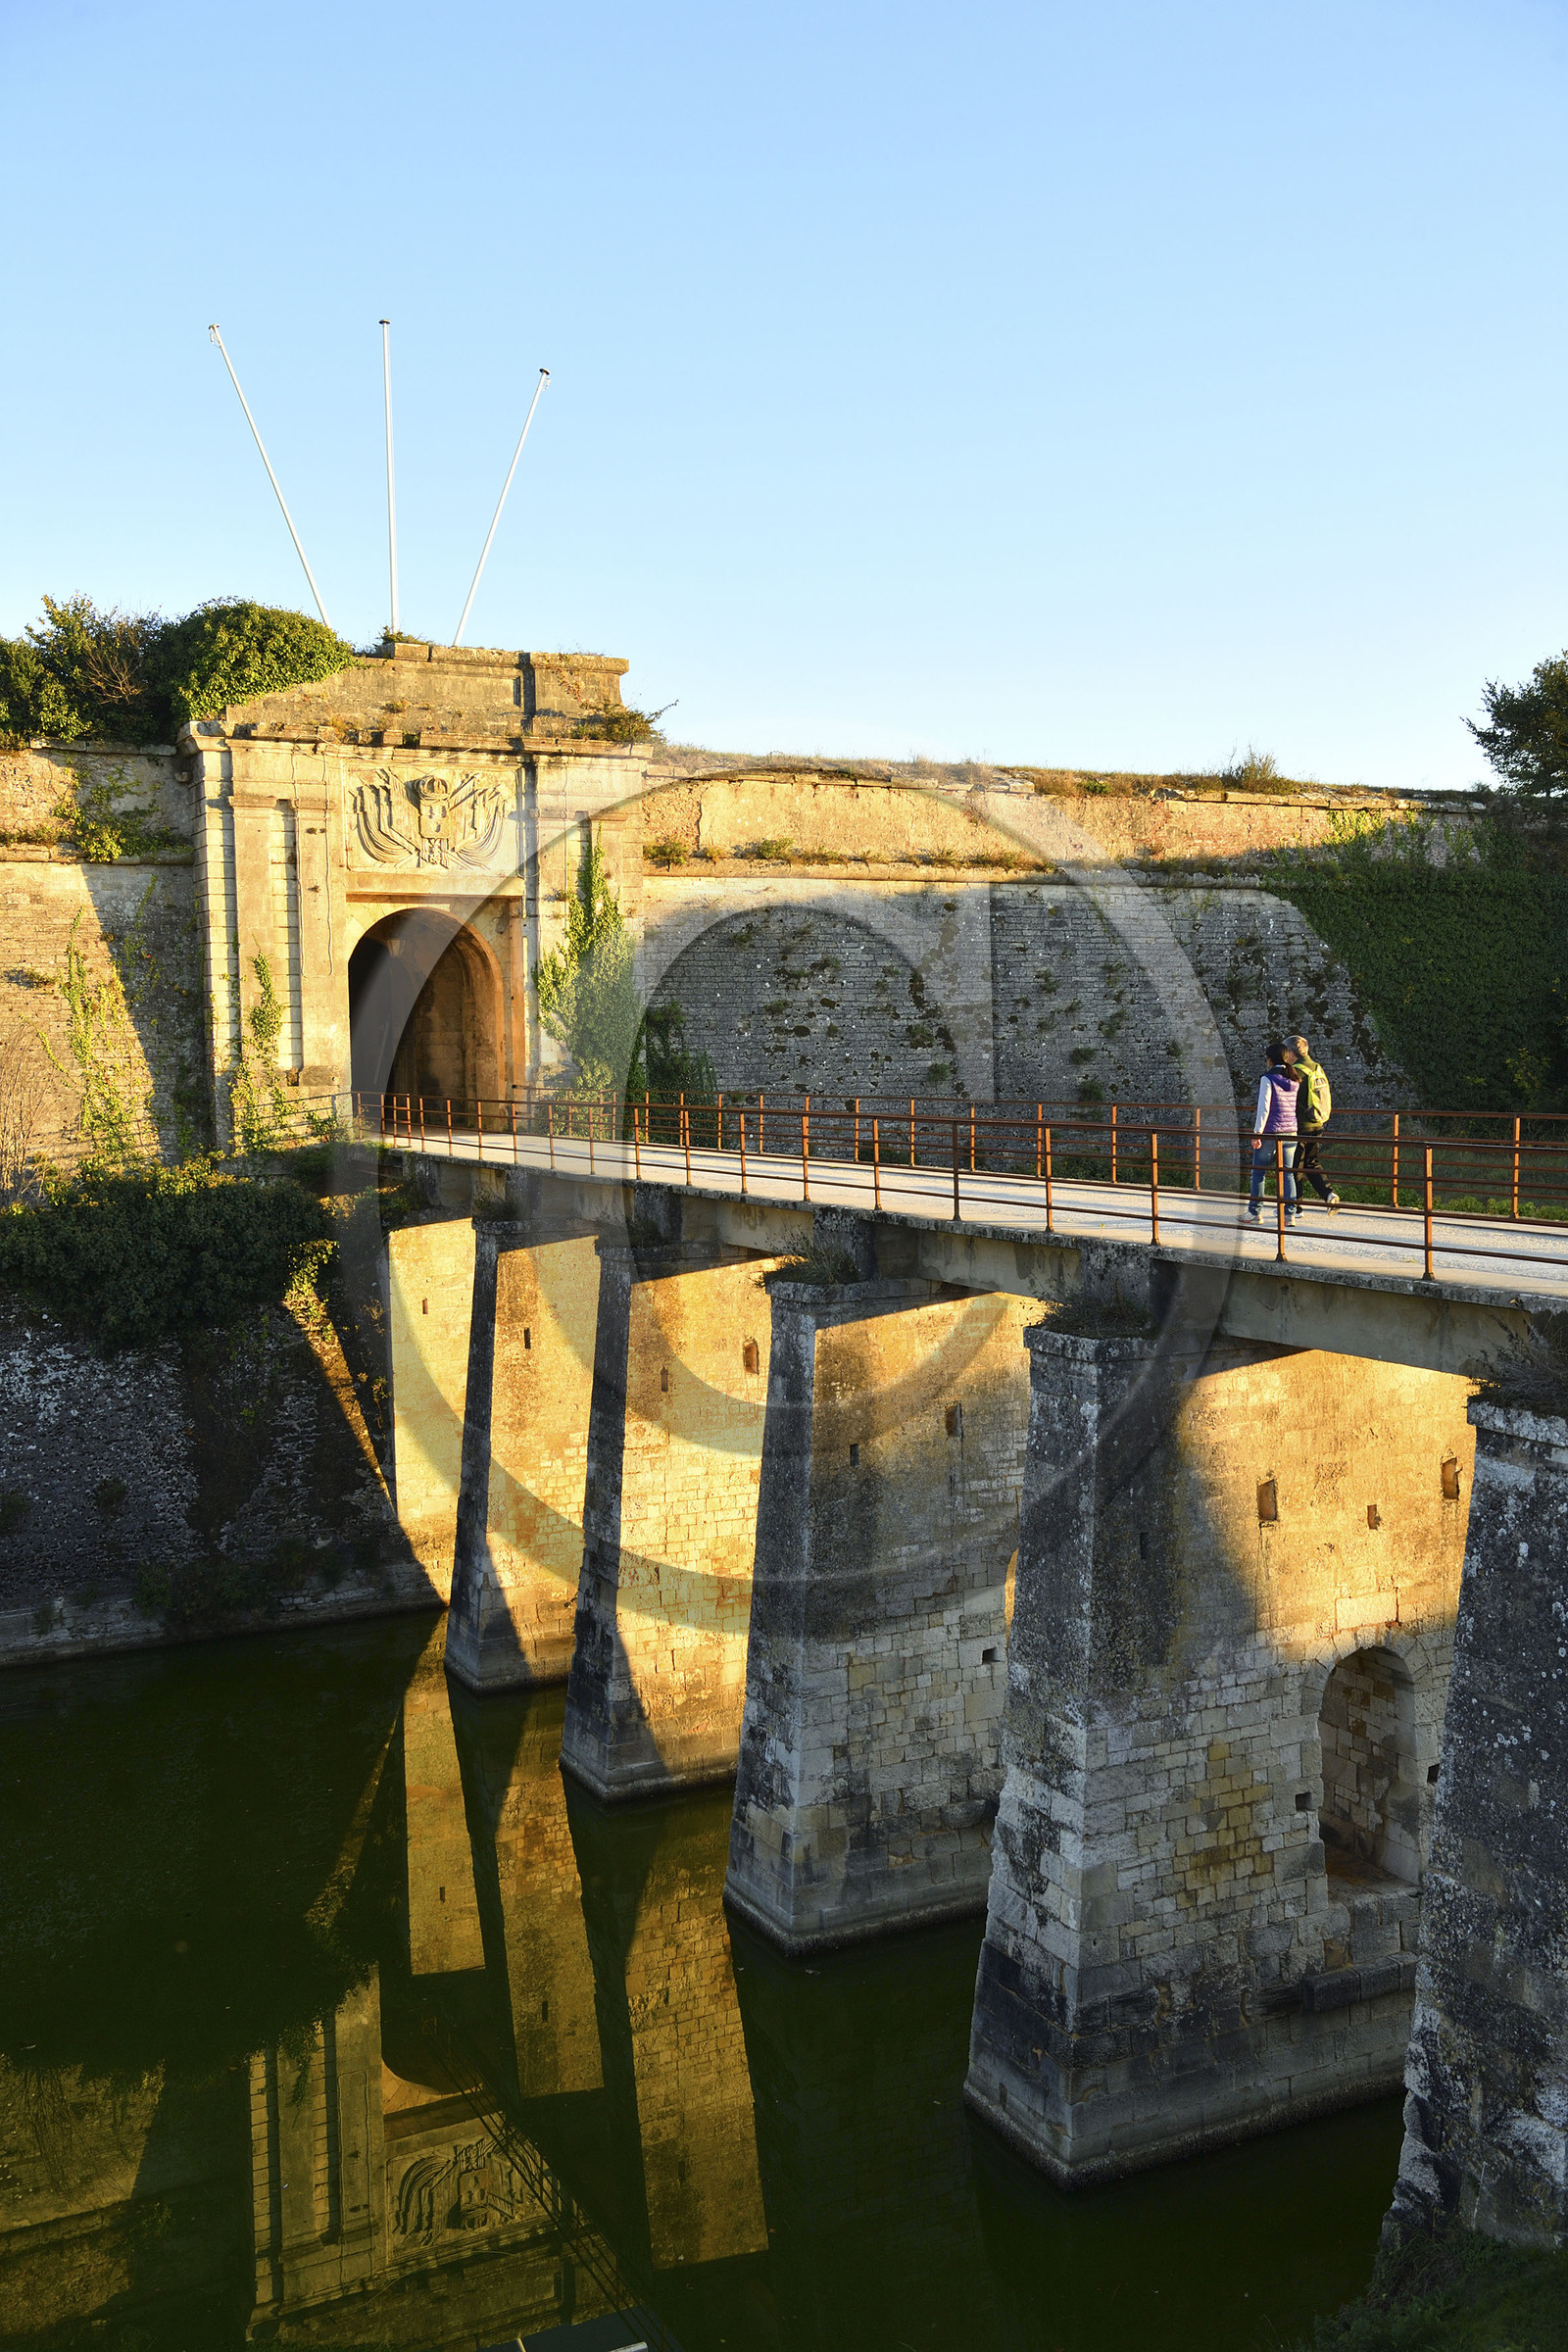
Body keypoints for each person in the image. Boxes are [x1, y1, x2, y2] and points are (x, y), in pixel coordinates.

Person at [1248, 1040, 1299, 1222]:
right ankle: (1289, 1215)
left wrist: (1257, 1133)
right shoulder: (1294, 1079)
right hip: (1291, 1130)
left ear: (1270, 1059)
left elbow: (1264, 1108)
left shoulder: (1267, 1078)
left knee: (1258, 1171)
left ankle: (1255, 1212)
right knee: (1287, 1173)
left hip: (1271, 1132)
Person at [1290, 1033, 1341, 1213]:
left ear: (1291, 1052)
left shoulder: (1295, 1071)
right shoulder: (1317, 1068)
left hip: (1300, 1125)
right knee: (1311, 1161)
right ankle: (1329, 1194)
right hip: (1317, 1122)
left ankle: (1296, 1206)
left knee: (1296, 1166)